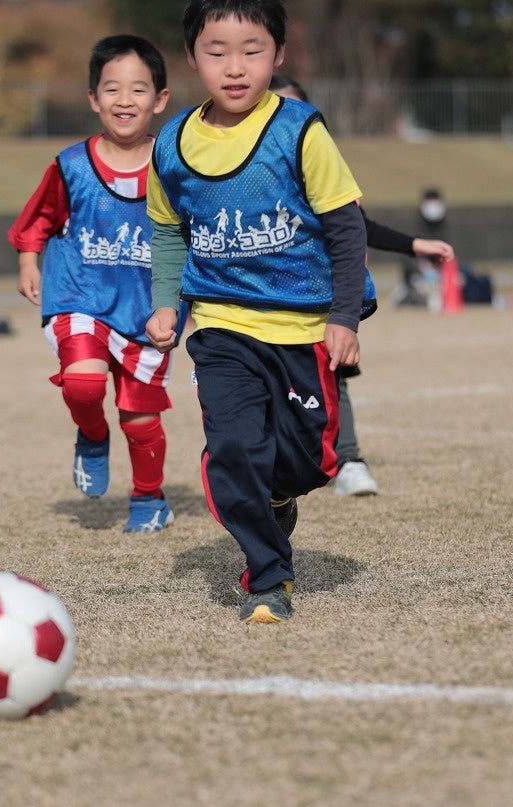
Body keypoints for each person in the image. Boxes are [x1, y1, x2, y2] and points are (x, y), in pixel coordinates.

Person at [147, 0, 375, 623]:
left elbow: (345, 227)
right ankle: (268, 577)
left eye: (252, 50)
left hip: (302, 329)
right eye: (216, 51)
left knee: (308, 463)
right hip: (221, 326)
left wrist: (345, 317)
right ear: (192, 57)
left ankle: (277, 496)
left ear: (278, 54)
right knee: (234, 448)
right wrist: (166, 304)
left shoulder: (300, 129)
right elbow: (168, 232)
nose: (234, 66)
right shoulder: (171, 145)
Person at [7, 34, 177, 534]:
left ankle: (150, 499)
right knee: (83, 381)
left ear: (160, 99)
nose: (125, 101)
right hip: (79, 293)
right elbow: (38, 217)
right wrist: (27, 260)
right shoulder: (71, 165)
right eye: (112, 89)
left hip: (148, 306)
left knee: (141, 418)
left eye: (139, 89)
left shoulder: (176, 165)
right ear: (93, 98)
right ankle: (92, 435)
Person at [270, 73, 454, 498]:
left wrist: (412, 244)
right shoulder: (243, 173)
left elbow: (355, 225)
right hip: (259, 298)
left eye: (293, 108)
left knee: (336, 372)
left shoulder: (320, 163)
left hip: (318, 292)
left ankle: (349, 459)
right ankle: (281, 464)